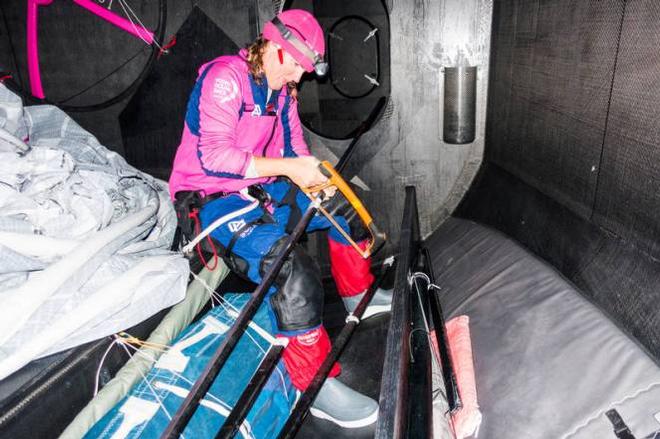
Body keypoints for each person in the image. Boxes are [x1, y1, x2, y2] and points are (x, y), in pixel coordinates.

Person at [169, 9, 391, 428]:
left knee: (338, 206)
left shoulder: (281, 93)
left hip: (261, 188)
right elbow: (213, 156)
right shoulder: (225, 79)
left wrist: (313, 178)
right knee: (292, 268)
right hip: (213, 197)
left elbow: (294, 150)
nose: (300, 79)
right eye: (299, 68)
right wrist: (289, 171)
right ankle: (314, 385)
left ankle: (357, 296)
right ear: (274, 48)